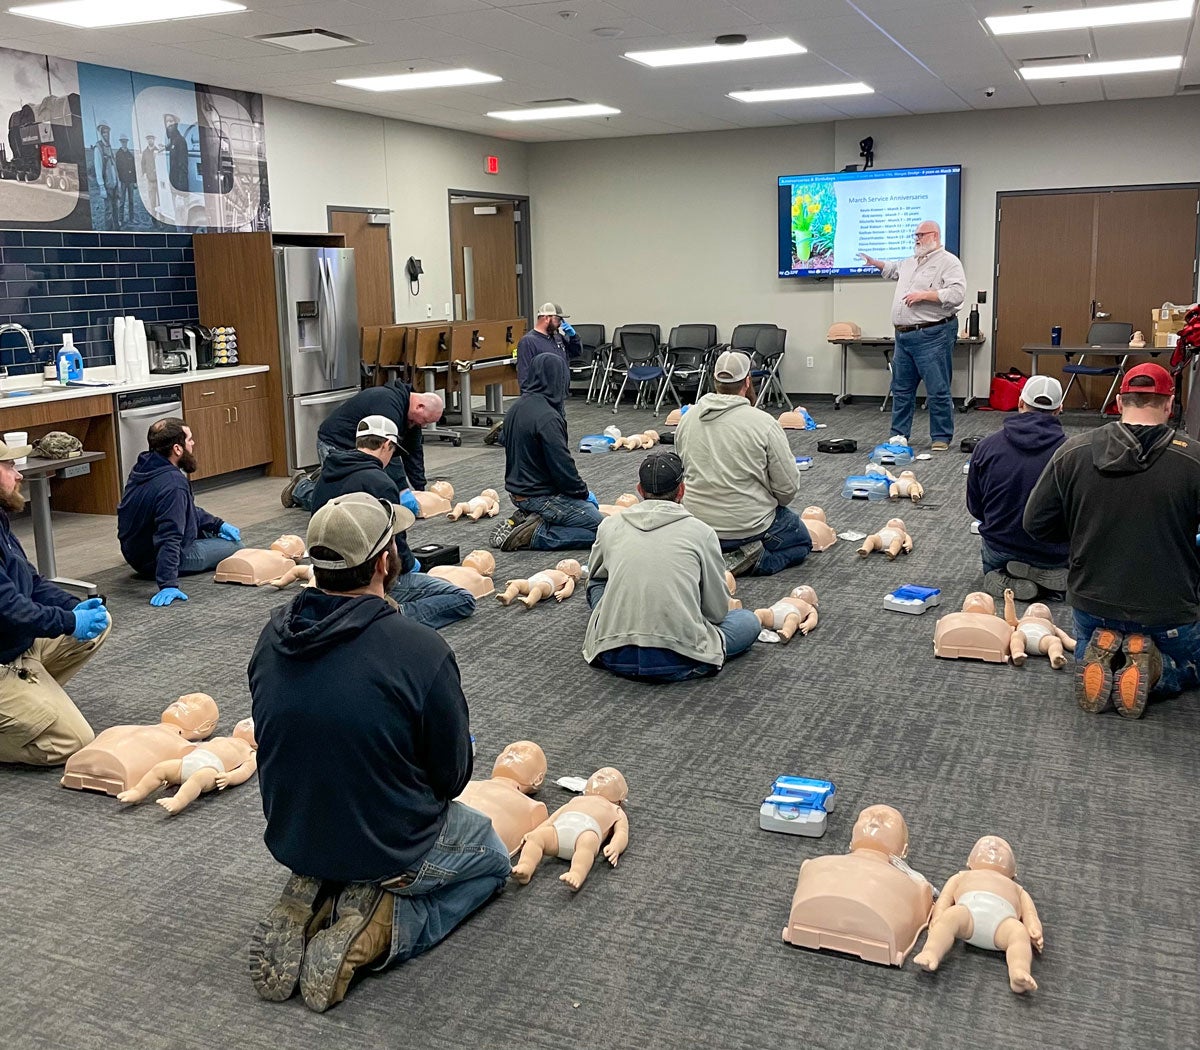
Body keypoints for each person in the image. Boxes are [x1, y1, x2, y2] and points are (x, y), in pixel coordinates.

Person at [247, 492, 510, 1013]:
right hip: (391, 843)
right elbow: (451, 778)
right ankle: (382, 932)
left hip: (295, 832)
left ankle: (323, 888)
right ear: (386, 561)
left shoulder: (271, 636)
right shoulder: (419, 648)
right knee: (493, 862)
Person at [1024, 363, 1200, 718]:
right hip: (1169, 608)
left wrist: (1081, 540)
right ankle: (1156, 670)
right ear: (1169, 406)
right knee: (1193, 666)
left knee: (1091, 638)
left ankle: (1108, 655)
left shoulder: (1072, 451)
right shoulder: (1193, 458)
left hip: (1093, 602)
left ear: (1119, 402)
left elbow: (1035, 524)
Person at [582, 451, 761, 682]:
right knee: (748, 621)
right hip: (680, 656)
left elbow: (594, 577)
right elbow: (716, 612)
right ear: (682, 490)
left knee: (597, 580)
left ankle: (612, 622)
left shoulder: (610, 525)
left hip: (612, 653)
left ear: (639, 489)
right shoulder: (701, 533)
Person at [0, 438, 111, 766]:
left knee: (97, 626)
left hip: (15, 646)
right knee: (73, 741)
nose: (18, 475)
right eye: (8, 467)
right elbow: (10, 608)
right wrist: (69, 621)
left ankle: (31, 702)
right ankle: (27, 708)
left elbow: (31, 583)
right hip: (3, 651)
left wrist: (72, 606)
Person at [311, 415, 475, 631]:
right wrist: (409, 564)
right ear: (387, 444)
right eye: (393, 451)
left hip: (327, 575)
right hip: (368, 577)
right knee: (462, 598)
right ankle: (389, 615)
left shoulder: (326, 475)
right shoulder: (380, 482)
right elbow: (394, 545)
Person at [674, 350, 807, 576]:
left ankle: (708, 557)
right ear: (747, 382)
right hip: (748, 527)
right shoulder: (764, 423)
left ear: (714, 381)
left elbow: (682, 469)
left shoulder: (687, 419)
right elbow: (788, 488)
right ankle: (755, 560)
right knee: (801, 540)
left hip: (697, 524)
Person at [857, 220, 966, 450]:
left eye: (921, 234)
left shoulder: (948, 262)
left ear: (934, 236)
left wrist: (926, 295)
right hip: (903, 336)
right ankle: (899, 435)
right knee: (901, 388)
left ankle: (941, 437)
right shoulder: (910, 262)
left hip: (932, 334)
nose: (916, 238)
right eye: (914, 235)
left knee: (937, 388)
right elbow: (892, 269)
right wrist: (874, 262)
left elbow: (957, 294)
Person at [117, 417, 243, 607]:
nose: (193, 444)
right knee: (236, 546)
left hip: (135, 551)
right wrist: (168, 583)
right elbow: (169, 536)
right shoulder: (174, 485)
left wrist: (217, 524)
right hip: (153, 561)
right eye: (190, 439)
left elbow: (183, 509)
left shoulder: (145, 466)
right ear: (177, 449)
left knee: (214, 531)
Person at [966, 375, 1068, 600]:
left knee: (995, 556)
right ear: (1060, 408)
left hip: (1000, 548)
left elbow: (975, 507)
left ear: (1021, 403)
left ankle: (1003, 578)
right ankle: (1046, 579)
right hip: (1053, 553)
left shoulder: (986, 447)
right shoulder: (1072, 453)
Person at [490, 354, 602, 552]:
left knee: (587, 517)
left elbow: (505, 440)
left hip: (517, 493)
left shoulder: (516, 407)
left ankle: (528, 519)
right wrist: (582, 493)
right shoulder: (548, 417)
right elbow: (562, 467)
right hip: (541, 497)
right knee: (601, 531)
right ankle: (537, 534)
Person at [282, 380, 442, 513]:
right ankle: (301, 487)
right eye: (426, 421)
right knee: (345, 505)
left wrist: (420, 489)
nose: (424, 425)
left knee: (375, 493)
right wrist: (402, 490)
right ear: (419, 406)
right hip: (337, 444)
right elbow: (387, 451)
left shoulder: (412, 417)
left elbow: (413, 452)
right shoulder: (387, 404)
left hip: (366, 449)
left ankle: (326, 475)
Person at [516, 303, 581, 390]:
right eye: (558, 319)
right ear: (546, 318)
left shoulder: (557, 337)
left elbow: (575, 352)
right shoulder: (528, 341)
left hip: (559, 395)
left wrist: (573, 337)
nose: (560, 323)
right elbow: (525, 376)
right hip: (541, 397)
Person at [92, 123, 119, 230]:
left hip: (114, 184)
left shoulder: (110, 147)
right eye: (104, 132)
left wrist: (118, 182)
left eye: (107, 132)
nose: (106, 134)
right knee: (109, 211)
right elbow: (98, 168)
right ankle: (109, 233)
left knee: (115, 208)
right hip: (107, 185)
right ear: (100, 133)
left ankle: (117, 230)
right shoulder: (98, 148)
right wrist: (101, 186)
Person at [114, 135, 137, 227]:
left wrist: (135, 181)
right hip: (122, 182)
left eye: (125, 141)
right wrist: (118, 182)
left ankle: (132, 219)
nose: (124, 143)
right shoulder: (118, 154)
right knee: (122, 201)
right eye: (123, 141)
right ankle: (120, 220)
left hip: (130, 181)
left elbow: (134, 169)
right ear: (120, 142)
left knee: (131, 200)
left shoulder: (130, 154)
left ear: (127, 142)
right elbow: (117, 169)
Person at [141, 134, 161, 223]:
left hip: (159, 181)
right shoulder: (145, 152)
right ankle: (154, 221)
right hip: (150, 181)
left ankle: (162, 220)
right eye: (148, 139)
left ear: (154, 140)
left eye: (152, 139)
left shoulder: (158, 151)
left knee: (161, 201)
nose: (150, 140)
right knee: (152, 201)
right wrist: (144, 173)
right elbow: (142, 164)